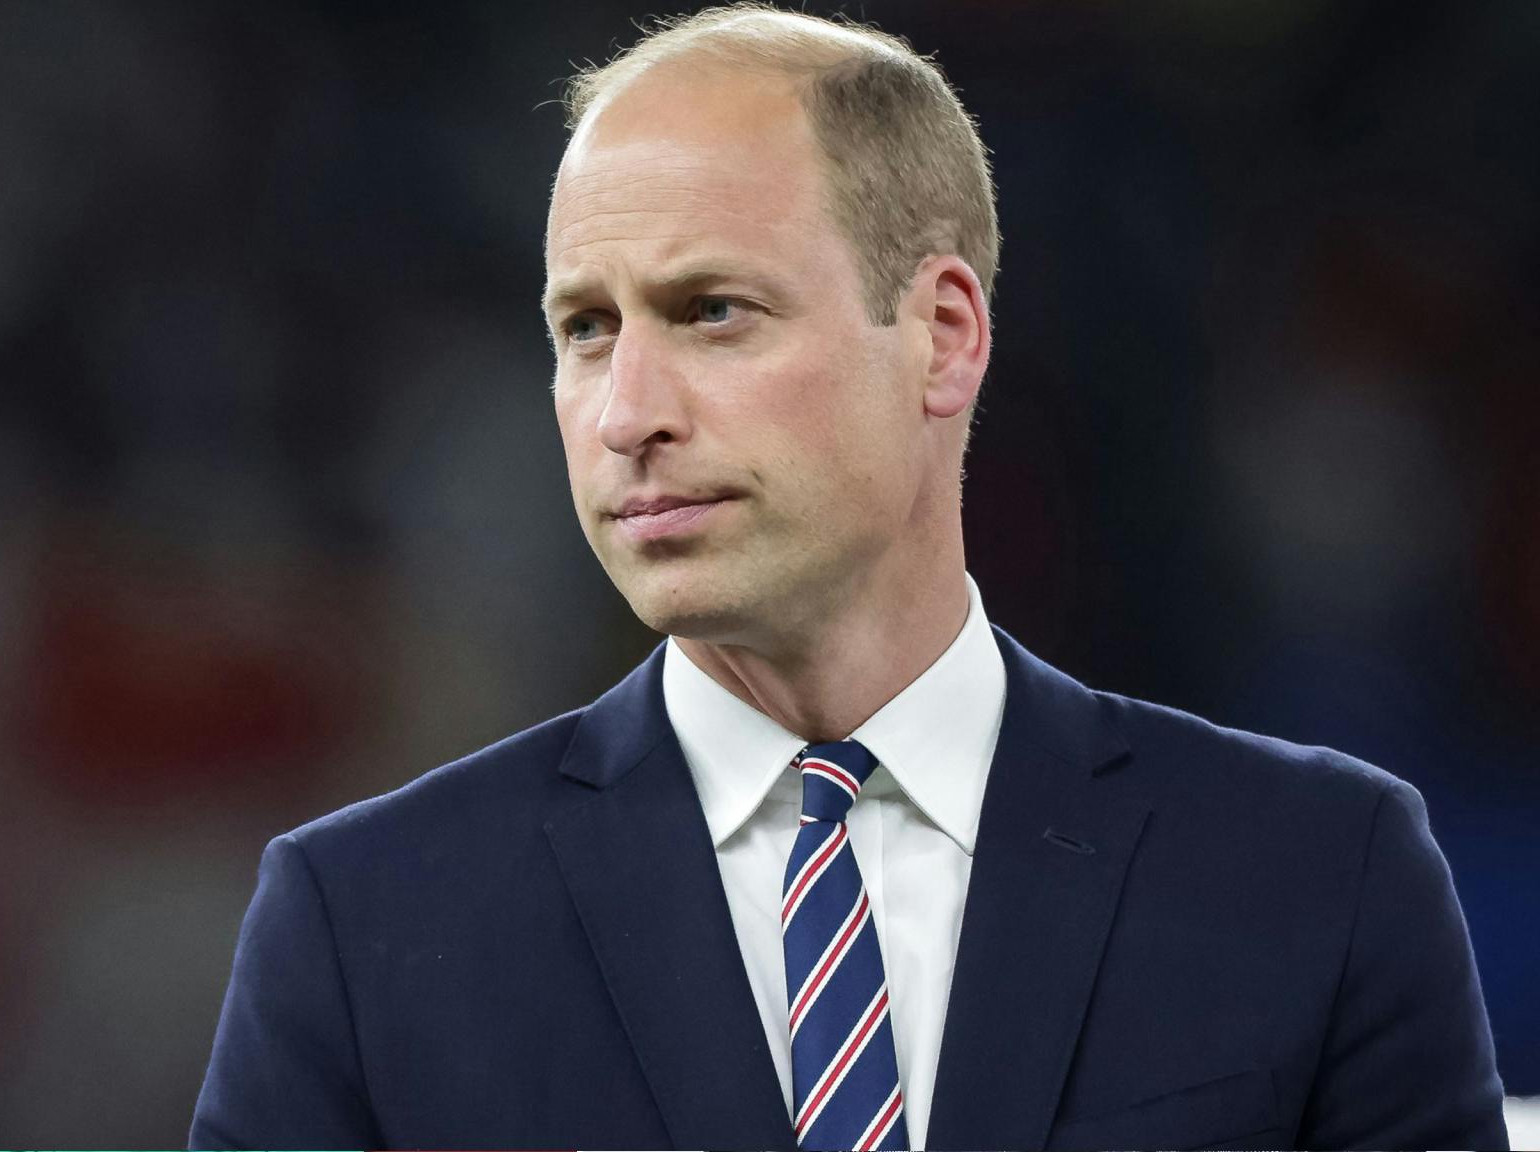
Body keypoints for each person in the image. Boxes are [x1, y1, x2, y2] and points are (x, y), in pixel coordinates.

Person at [190, 7, 1507, 1149]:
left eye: (713, 310)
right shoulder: (362, 928)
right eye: (585, 328)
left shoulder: (1321, 879)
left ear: (941, 337)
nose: (624, 413)